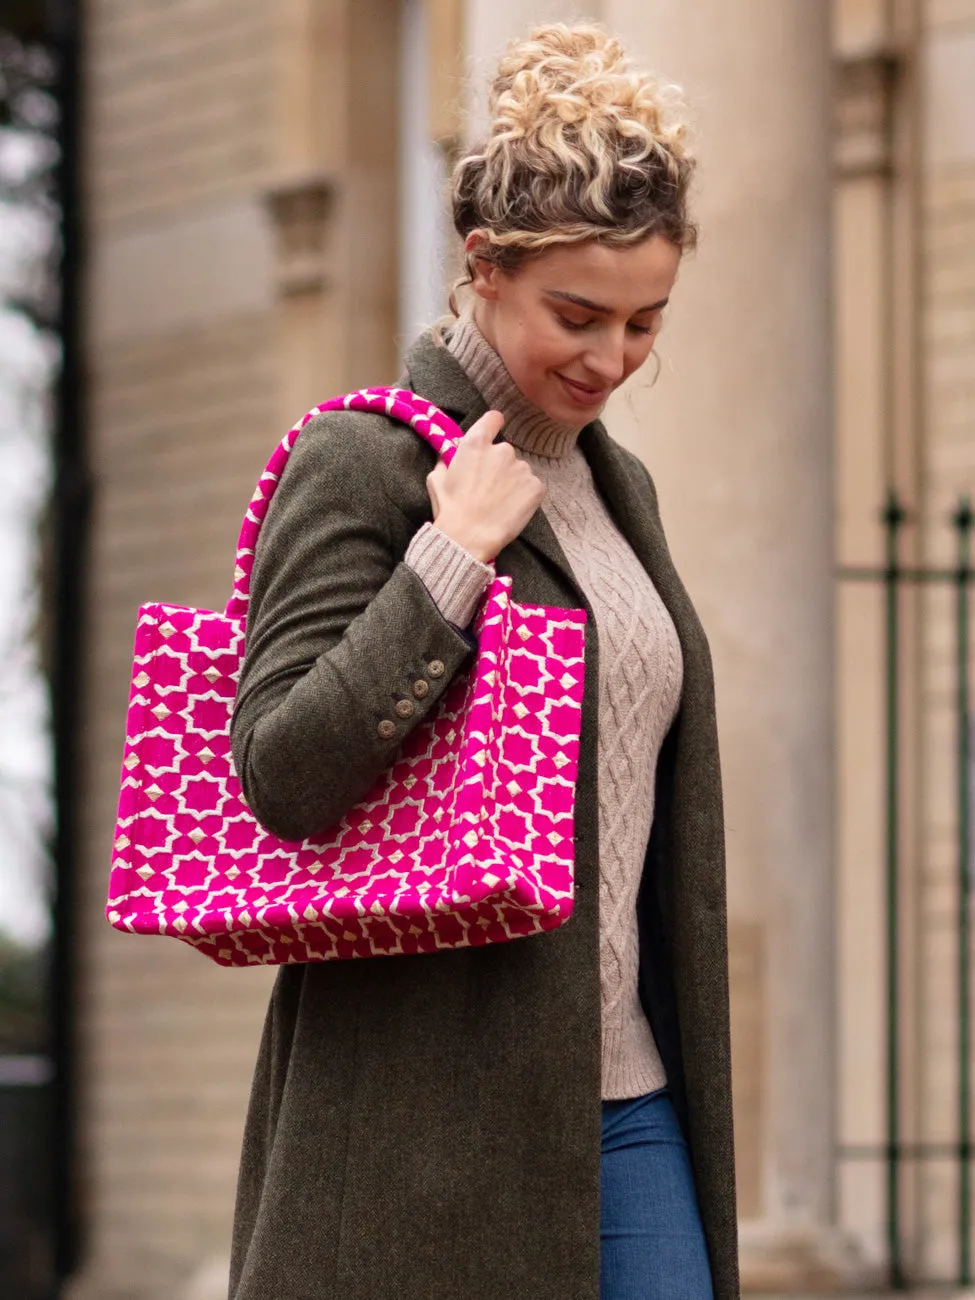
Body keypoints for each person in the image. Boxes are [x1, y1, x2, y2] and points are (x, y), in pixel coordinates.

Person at [228, 22, 738, 1300]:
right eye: (576, 314)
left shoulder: (623, 492)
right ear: (483, 267)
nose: (611, 360)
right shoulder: (362, 462)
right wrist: (447, 560)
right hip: (421, 1129)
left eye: (643, 322)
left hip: (633, 1098)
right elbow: (284, 774)